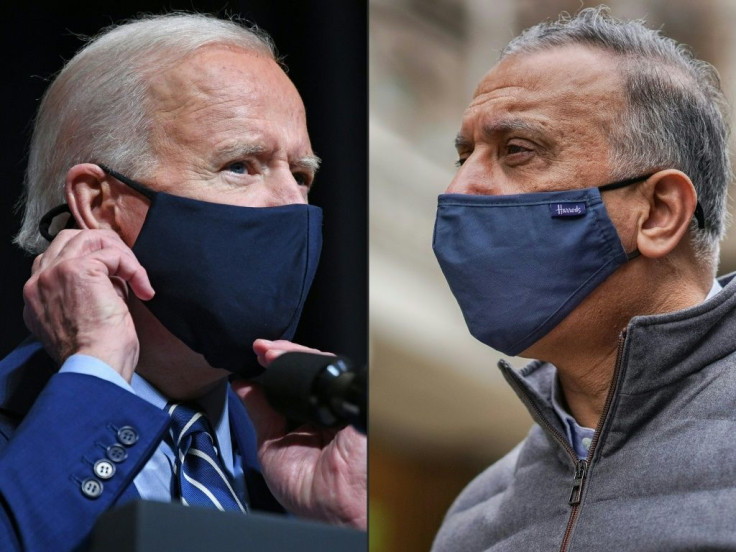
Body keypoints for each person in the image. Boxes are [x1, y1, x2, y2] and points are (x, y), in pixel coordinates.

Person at [0, 13, 366, 551]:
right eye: (241, 166)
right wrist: (97, 374)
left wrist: (348, 530)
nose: (294, 206)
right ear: (99, 205)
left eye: (303, 175)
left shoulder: (309, 473)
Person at [431, 6, 736, 551]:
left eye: (516, 150)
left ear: (660, 213)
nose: (458, 189)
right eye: (463, 155)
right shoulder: (472, 520)